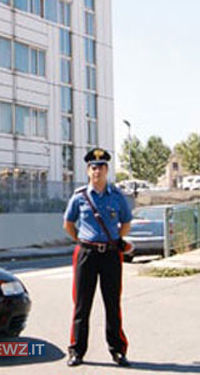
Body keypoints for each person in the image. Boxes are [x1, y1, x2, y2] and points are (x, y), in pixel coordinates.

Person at [63, 147, 133, 368]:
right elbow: (68, 224)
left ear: (107, 170)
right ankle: (76, 351)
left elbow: (126, 223)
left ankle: (118, 351)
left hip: (111, 255)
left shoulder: (117, 196)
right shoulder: (79, 197)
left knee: (113, 304)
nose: (97, 171)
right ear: (87, 171)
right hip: (86, 253)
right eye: (93, 167)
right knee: (82, 305)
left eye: (101, 167)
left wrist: (114, 240)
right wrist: (83, 241)